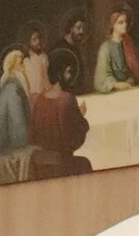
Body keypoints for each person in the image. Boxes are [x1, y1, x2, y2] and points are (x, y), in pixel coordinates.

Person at [30, 44, 93, 177]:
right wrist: (81, 118)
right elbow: (72, 140)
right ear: (60, 73)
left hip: (39, 164)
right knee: (85, 165)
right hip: (60, 163)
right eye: (68, 72)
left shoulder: (37, 99)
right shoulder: (66, 99)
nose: (70, 76)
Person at [0, 47, 35, 161]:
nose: (23, 68)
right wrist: (27, 144)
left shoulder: (13, 86)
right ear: (12, 67)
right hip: (6, 150)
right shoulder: (12, 89)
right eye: (20, 64)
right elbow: (17, 125)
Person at [93, 8, 139, 92]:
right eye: (120, 22)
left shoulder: (129, 44)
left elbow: (135, 69)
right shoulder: (106, 48)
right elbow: (101, 77)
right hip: (114, 91)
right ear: (113, 25)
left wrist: (132, 78)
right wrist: (116, 84)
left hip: (130, 88)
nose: (125, 25)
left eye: (125, 22)